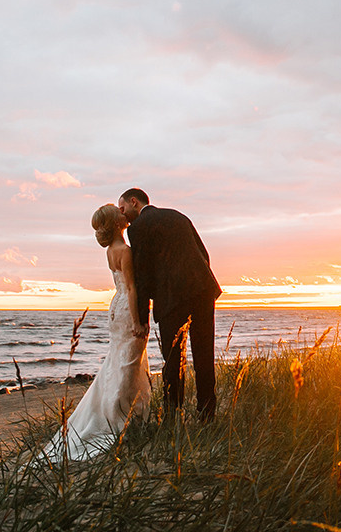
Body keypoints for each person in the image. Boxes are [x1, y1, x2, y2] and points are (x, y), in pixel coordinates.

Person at [37, 204, 151, 463]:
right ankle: (118, 417)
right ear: (116, 222)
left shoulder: (111, 251)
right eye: (119, 213)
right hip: (126, 309)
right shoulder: (125, 251)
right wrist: (138, 321)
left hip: (115, 307)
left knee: (119, 360)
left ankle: (123, 412)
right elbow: (133, 289)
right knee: (127, 364)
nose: (125, 213)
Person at [118, 188, 221, 422]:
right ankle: (207, 414)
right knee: (205, 354)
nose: (122, 214)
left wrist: (141, 319)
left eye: (122, 208)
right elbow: (204, 253)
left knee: (174, 358)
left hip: (171, 298)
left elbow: (142, 276)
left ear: (134, 202)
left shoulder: (137, 228)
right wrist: (199, 281)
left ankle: (173, 416)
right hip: (202, 290)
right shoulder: (178, 215)